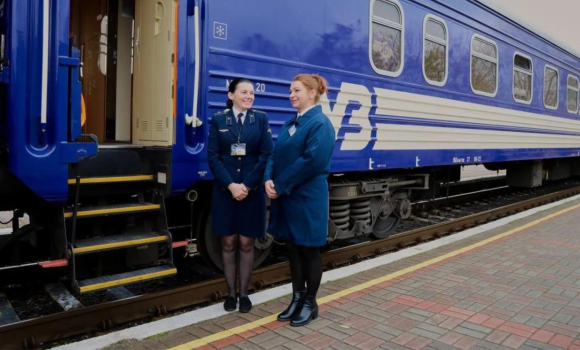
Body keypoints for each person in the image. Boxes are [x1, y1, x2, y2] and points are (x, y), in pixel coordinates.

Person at [264, 74, 335, 326]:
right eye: (290, 90)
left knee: (309, 249)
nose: (291, 95)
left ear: (312, 93)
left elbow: (312, 162)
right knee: (293, 248)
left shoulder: (321, 124)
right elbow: (274, 155)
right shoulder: (289, 124)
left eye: (296, 90)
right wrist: (267, 179)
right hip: (288, 195)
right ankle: (296, 298)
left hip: (307, 198)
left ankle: (310, 302)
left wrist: (280, 185)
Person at [207, 78, 273, 313]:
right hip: (225, 193)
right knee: (228, 242)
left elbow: (266, 155)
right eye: (244, 92)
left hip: (251, 192)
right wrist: (231, 185)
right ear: (231, 95)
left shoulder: (261, 119)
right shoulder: (218, 120)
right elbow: (213, 156)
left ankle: (244, 294)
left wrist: (245, 185)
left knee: (247, 243)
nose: (249, 96)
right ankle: (230, 294)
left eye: (252, 93)